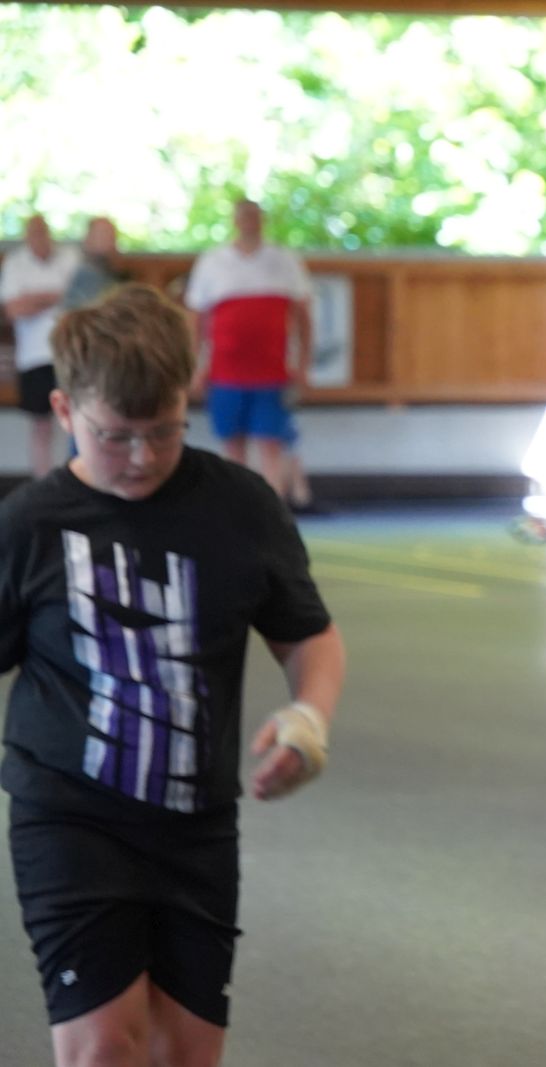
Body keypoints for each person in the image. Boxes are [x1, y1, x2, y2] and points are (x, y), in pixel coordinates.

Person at [0, 283, 345, 1067]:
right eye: (115, 436)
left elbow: (310, 636)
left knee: (186, 1053)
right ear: (64, 411)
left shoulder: (240, 506)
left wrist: (309, 717)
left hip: (196, 821)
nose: (143, 456)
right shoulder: (29, 526)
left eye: (164, 431)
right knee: (102, 1047)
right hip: (70, 816)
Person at [184, 198, 312, 500]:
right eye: (244, 216)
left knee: (271, 444)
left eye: (255, 216)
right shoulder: (212, 261)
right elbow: (196, 319)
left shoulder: (285, 260)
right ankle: (237, 508)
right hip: (225, 373)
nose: (250, 222)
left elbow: (304, 317)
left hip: (271, 371)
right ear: (234, 221)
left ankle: (273, 508)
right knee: (232, 444)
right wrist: (195, 366)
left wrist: (303, 364)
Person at [2, 214, 81, 477]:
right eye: (33, 232)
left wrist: (33, 299)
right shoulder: (16, 263)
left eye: (42, 231)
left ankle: (77, 476)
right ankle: (43, 479)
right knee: (41, 424)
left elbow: (78, 301)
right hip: (34, 357)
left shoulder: (70, 258)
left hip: (70, 354)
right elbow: (15, 309)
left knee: (78, 419)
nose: (39, 237)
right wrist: (53, 297)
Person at [61, 217, 127, 311]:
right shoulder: (79, 267)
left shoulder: (114, 271)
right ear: (88, 238)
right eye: (101, 234)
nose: (108, 240)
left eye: (110, 235)